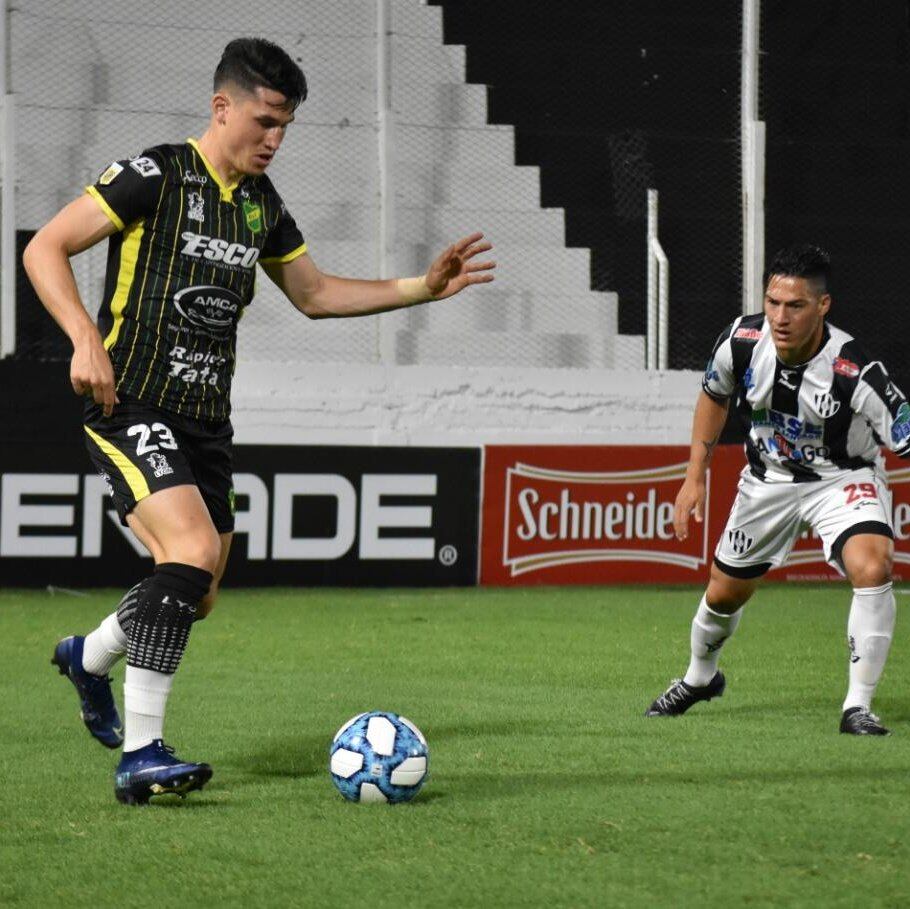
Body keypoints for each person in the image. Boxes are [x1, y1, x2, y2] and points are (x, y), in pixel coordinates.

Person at [23, 37, 495, 804]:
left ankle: (90, 655)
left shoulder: (259, 206)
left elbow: (312, 293)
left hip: (207, 424)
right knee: (192, 550)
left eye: (286, 126)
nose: (275, 138)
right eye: (266, 119)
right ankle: (141, 754)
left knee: (196, 589)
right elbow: (46, 247)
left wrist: (422, 288)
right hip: (130, 402)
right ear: (222, 107)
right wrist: (83, 337)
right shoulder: (155, 174)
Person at [646, 244, 906, 735]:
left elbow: (904, 432)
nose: (780, 318)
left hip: (841, 478)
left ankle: (857, 706)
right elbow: (713, 395)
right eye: (773, 303)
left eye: (795, 306)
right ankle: (701, 678)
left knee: (873, 566)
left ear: (823, 306)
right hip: (767, 482)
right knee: (723, 595)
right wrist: (693, 475)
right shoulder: (742, 341)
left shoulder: (855, 371)